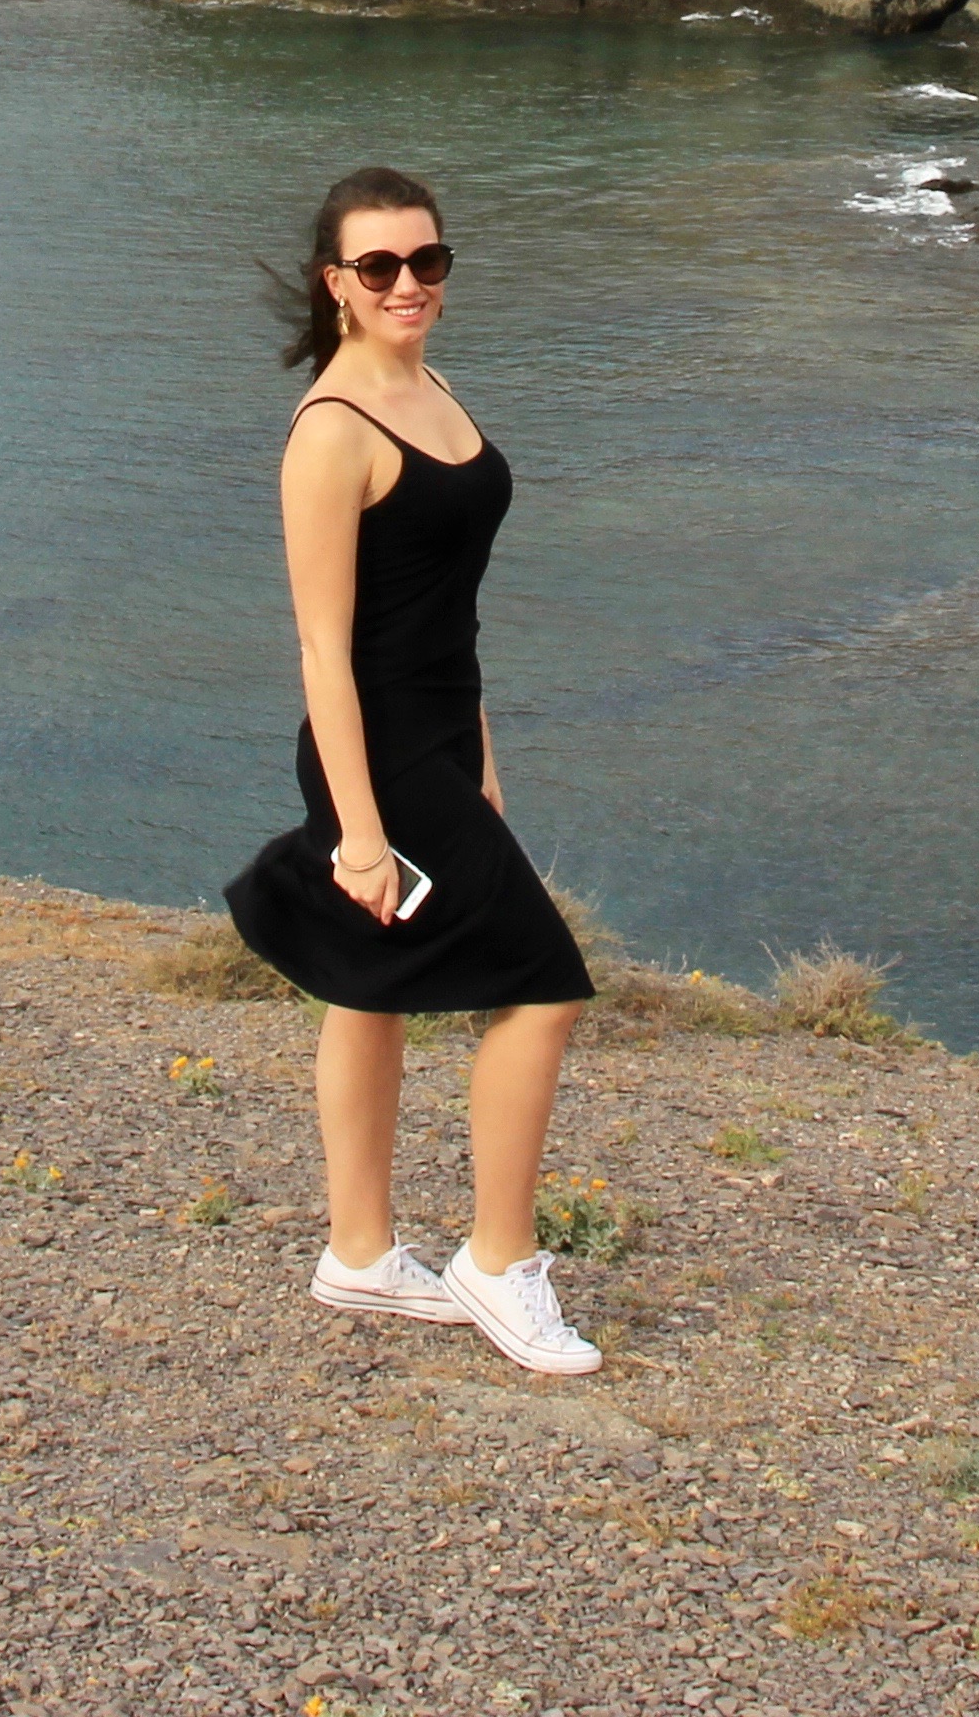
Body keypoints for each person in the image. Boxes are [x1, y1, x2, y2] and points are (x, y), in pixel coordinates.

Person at [219, 165, 604, 1377]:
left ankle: (361, 1253)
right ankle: (499, 1263)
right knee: (543, 983)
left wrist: (482, 754)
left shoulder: (431, 386)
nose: (408, 285)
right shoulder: (333, 432)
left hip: (438, 733)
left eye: (428, 262)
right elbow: (325, 651)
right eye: (379, 267)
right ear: (335, 282)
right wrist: (359, 831)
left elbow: (450, 613)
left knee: (372, 984)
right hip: (371, 751)